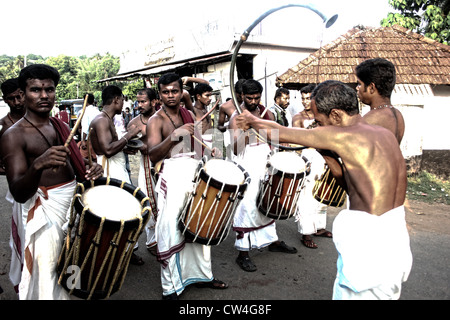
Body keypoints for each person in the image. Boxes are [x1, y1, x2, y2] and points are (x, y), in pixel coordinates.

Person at [235, 80, 412, 300]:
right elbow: (351, 187)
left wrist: (252, 120)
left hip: (368, 248)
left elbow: (277, 132)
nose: (318, 127)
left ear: (336, 116)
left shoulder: (342, 135)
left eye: (320, 121)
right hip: (394, 241)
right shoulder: (383, 134)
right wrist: (327, 155)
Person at [0, 64, 103, 299]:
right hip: (44, 213)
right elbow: (18, 192)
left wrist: (92, 168)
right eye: (36, 90)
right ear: (23, 94)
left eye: (50, 89)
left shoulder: (62, 126)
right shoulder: (13, 135)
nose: (44, 96)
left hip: (72, 209)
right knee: (46, 276)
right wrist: (38, 164)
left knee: (72, 268)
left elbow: (79, 166)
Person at [146, 73, 225, 299]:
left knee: (198, 224)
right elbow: (153, 155)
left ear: (182, 92)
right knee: (171, 229)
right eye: (165, 92)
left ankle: (202, 276)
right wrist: (174, 136)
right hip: (172, 178)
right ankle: (171, 287)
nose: (170, 95)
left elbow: (196, 144)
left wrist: (210, 151)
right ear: (159, 95)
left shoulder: (188, 113)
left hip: (193, 174)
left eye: (175, 91)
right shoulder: (156, 121)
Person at [228, 79, 297, 273]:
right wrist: (248, 128)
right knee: (248, 205)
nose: (254, 101)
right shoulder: (236, 117)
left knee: (267, 202)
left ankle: (271, 240)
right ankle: (243, 253)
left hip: (265, 162)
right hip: (246, 164)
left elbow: (274, 136)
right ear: (241, 96)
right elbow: (235, 147)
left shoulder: (266, 112)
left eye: (257, 97)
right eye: (249, 97)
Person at [89, 85, 144, 265]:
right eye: (122, 99)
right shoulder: (101, 120)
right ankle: (112, 254)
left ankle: (125, 252)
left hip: (116, 168)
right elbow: (107, 150)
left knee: (125, 212)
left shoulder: (106, 119)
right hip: (110, 171)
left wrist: (125, 147)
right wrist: (130, 135)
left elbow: (113, 145)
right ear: (116, 100)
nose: (123, 103)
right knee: (116, 213)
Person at [292, 83, 333, 249]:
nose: (305, 102)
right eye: (303, 98)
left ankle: (319, 228)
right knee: (307, 196)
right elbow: (296, 142)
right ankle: (306, 232)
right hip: (308, 156)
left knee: (323, 193)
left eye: (308, 98)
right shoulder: (298, 118)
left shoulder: (324, 116)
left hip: (324, 156)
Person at [0, 78, 26, 293]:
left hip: (51, 189)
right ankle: (26, 284)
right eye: (11, 98)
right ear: (5, 100)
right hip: (22, 191)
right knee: (25, 239)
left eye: (20, 96)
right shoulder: (5, 126)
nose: (17, 102)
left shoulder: (43, 119)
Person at [127, 88, 159, 255]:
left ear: (154, 101)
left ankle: (165, 238)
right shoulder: (134, 123)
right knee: (148, 199)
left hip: (164, 164)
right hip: (145, 165)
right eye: (138, 102)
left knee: (164, 202)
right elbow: (130, 146)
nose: (139, 105)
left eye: (143, 102)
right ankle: (152, 240)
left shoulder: (163, 117)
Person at [356, 58, 405, 144]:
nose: (357, 88)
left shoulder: (372, 119)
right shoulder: (397, 115)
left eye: (360, 84)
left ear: (371, 87)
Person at [78, 93, 100, 162]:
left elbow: (85, 127)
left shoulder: (84, 111)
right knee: (96, 159)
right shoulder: (98, 111)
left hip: (88, 140)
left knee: (84, 160)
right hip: (97, 139)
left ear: (85, 101)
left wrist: (83, 140)